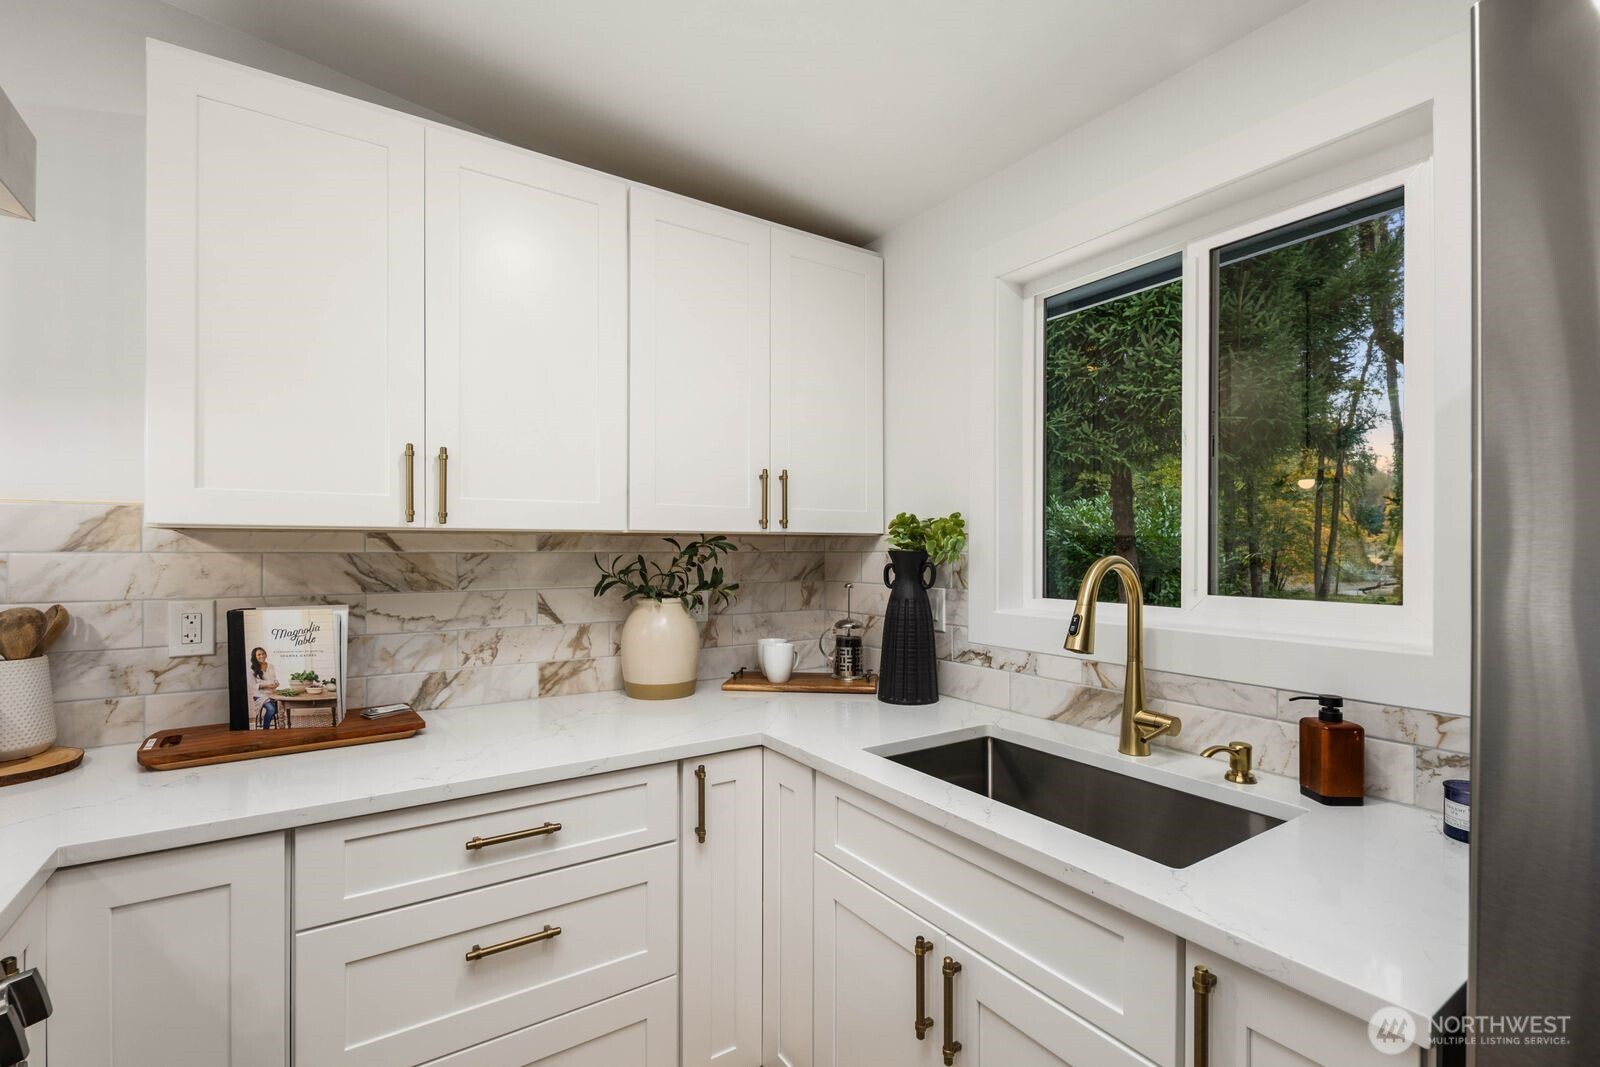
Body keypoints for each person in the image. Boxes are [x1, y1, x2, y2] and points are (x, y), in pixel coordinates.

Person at [249, 646, 281, 729]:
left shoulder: (271, 666)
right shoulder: (251, 669)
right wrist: (267, 685)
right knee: (272, 710)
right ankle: (265, 729)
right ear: (255, 657)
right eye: (259, 655)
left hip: (272, 693)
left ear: (266, 655)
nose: (262, 656)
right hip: (260, 695)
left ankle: (267, 718)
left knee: (279, 709)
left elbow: (274, 679)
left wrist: (276, 683)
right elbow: (253, 686)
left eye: (263, 654)